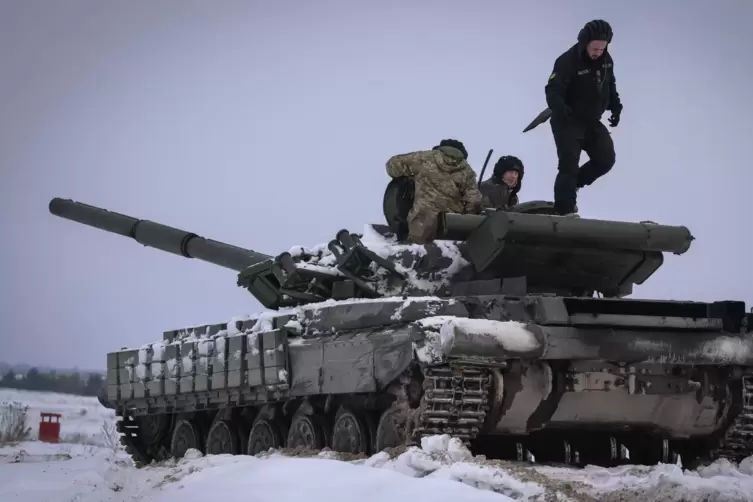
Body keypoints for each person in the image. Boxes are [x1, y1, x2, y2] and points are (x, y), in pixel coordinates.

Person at [544, 19, 623, 216]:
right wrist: (560, 109)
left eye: (602, 48)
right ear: (585, 43)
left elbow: (609, 84)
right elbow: (552, 89)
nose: (598, 52)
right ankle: (564, 212)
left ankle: (574, 184)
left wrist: (615, 106)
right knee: (568, 166)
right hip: (568, 120)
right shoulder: (567, 61)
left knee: (606, 159)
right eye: (594, 48)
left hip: (591, 120)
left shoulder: (606, 60)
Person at [385, 139, 482, 243]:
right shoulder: (467, 171)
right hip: (452, 227)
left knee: (416, 249)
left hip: (422, 223)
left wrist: (407, 179)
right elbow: (474, 200)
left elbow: (393, 165)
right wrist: (466, 215)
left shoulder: (423, 158)